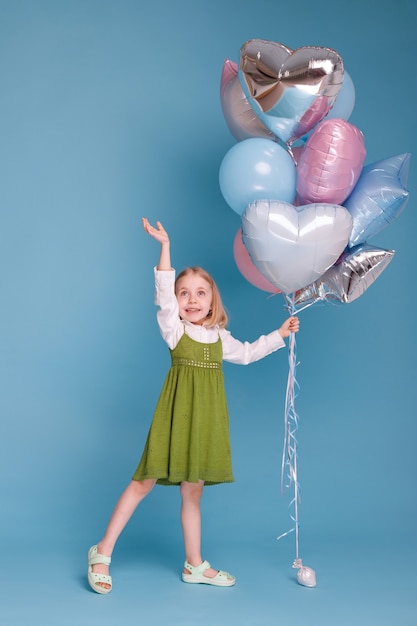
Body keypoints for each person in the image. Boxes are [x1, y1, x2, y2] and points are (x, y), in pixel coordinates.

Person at [87, 218, 300, 594]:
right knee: (143, 482)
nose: (192, 300)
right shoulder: (174, 328)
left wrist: (279, 335)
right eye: (184, 293)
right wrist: (164, 246)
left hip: (206, 420)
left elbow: (250, 354)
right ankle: (101, 553)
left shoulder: (219, 337)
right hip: (174, 417)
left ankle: (194, 564)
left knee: (193, 491)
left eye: (200, 293)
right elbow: (164, 291)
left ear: (212, 300)